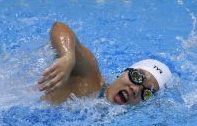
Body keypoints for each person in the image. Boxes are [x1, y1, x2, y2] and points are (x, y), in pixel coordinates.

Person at [38, 22, 172, 105]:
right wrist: (67, 57)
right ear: (124, 71)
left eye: (147, 93)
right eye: (136, 77)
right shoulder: (89, 78)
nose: (136, 89)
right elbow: (59, 28)